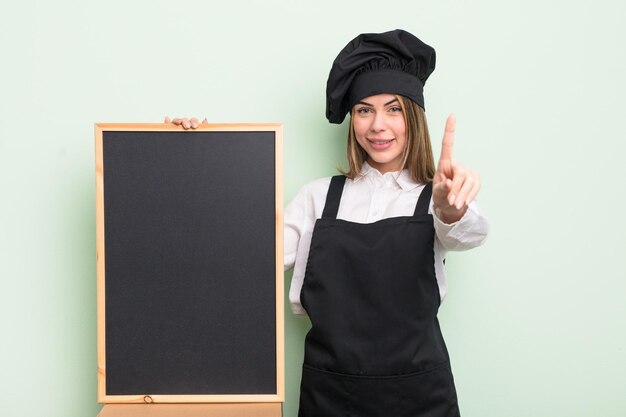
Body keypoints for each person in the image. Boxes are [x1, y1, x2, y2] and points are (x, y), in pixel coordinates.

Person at [169, 29, 488, 417]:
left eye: (393, 109)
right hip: (332, 396)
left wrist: (449, 207)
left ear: (414, 118)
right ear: (352, 120)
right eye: (364, 110)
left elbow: (469, 233)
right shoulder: (317, 198)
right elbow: (240, 259)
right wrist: (192, 154)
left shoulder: (434, 199)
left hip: (421, 396)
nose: (377, 125)